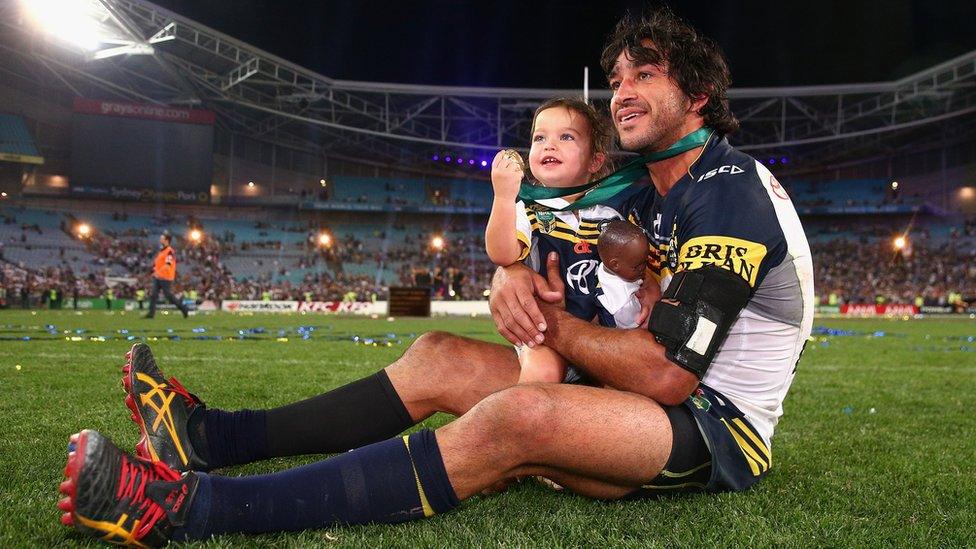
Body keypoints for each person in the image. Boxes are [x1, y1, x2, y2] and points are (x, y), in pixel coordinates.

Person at [57, 8, 814, 547]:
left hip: (712, 427)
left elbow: (666, 373)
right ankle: (206, 436)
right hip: (631, 388)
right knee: (438, 356)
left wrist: (553, 324)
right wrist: (508, 279)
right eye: (617, 77)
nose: (621, 91)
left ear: (700, 98)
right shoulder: (654, 189)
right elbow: (544, 255)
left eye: (646, 74)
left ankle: (190, 508)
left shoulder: (727, 193)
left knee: (520, 418)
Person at [485, 98, 628, 384]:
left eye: (566, 136)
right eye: (540, 137)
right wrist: (503, 197)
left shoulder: (610, 216)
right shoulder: (528, 209)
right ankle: (522, 424)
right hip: (545, 329)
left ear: (595, 161)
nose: (549, 145)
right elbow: (502, 254)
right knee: (543, 373)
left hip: (600, 331)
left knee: (626, 383)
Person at [592, 219, 649, 329]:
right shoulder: (624, 304)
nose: (643, 268)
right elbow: (638, 330)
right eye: (637, 266)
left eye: (646, 261)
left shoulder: (605, 267)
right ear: (615, 265)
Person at [145, 233, 189, 319]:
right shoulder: (161, 251)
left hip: (166, 277)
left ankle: (184, 309)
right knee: (153, 295)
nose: (160, 239)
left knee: (169, 296)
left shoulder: (169, 251)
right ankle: (151, 313)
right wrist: (154, 270)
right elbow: (158, 263)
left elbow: (168, 264)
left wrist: (158, 272)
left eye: (162, 238)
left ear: (166, 240)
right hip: (158, 277)